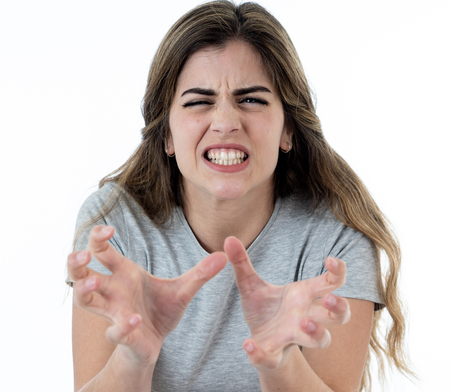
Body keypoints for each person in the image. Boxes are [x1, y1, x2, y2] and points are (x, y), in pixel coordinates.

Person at [67, 1, 413, 391]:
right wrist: (133, 358)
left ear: (288, 130)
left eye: (252, 99)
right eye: (199, 101)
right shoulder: (115, 225)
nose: (226, 123)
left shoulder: (337, 238)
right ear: (165, 134)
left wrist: (279, 364)